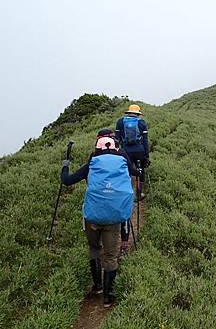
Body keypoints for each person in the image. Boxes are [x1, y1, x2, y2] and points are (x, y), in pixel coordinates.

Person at [60, 129, 137, 307]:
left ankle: (97, 286)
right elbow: (135, 173)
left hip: (92, 217)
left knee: (94, 248)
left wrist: (65, 166)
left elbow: (67, 180)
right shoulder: (122, 162)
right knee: (110, 256)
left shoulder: (92, 163)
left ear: (97, 147)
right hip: (114, 218)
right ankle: (108, 297)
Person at [115, 104, 150, 252]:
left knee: (127, 171)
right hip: (139, 151)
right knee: (140, 169)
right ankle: (140, 191)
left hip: (126, 151)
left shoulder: (120, 122)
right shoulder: (141, 123)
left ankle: (126, 191)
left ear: (128, 112)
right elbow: (145, 141)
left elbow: (116, 139)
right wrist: (146, 156)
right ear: (138, 114)